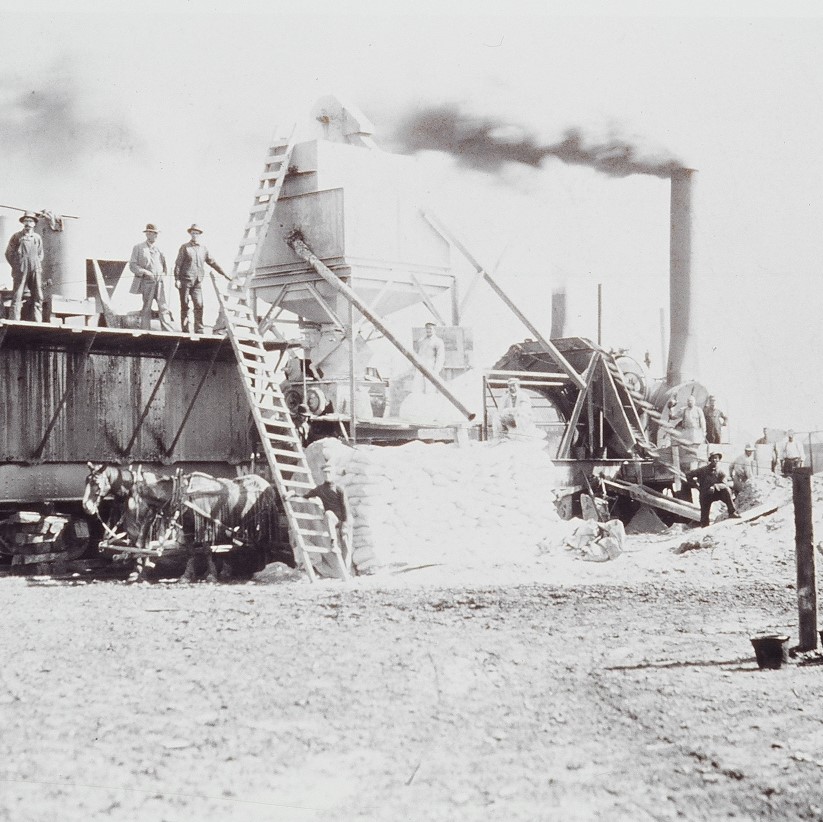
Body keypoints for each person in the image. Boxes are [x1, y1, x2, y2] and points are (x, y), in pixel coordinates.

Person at [290, 464, 352, 568]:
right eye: (325, 473)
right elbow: (306, 496)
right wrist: (293, 494)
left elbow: (345, 507)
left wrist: (344, 524)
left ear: (333, 474)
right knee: (328, 513)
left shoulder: (339, 489)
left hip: (342, 520)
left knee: (346, 544)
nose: (327, 475)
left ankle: (347, 569)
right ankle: (333, 543)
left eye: (329, 473)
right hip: (331, 519)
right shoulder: (320, 489)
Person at [173, 223, 230, 334]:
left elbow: (212, 262)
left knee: (199, 304)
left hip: (197, 281)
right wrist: (177, 279)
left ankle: (199, 329)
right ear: (190, 234)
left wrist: (224, 273)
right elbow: (178, 264)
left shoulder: (203, 249)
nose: (194, 235)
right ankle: (185, 330)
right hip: (185, 280)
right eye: (193, 233)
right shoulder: (185, 247)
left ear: (199, 234)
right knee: (185, 305)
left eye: (196, 233)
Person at [129, 223, 174, 331]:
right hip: (146, 281)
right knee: (147, 307)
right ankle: (145, 330)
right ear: (147, 234)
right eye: (152, 233)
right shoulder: (138, 247)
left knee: (163, 307)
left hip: (159, 282)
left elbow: (164, 264)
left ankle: (168, 331)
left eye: (156, 233)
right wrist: (144, 272)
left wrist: (163, 274)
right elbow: (132, 265)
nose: (155, 235)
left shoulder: (160, 248)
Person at [5, 211, 44, 322]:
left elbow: (40, 254)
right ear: (23, 222)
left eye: (30, 221)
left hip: (35, 268)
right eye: (26, 220)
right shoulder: (16, 236)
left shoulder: (37, 238)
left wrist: (36, 264)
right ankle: (14, 319)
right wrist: (17, 266)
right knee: (18, 294)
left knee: (38, 294)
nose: (28, 223)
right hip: (21, 268)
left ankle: (37, 320)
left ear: (34, 224)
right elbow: (8, 253)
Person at [685, 451, 740, 527]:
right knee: (704, 518)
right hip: (705, 495)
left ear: (718, 460)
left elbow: (724, 484)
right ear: (710, 460)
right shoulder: (702, 470)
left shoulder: (721, 472)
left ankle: (732, 512)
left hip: (717, 493)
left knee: (727, 490)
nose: (715, 460)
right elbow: (688, 475)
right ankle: (704, 529)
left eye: (716, 458)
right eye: (713, 458)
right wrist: (696, 486)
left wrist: (715, 486)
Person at [416, 321, 445, 393]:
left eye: (430, 328)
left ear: (434, 329)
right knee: (419, 390)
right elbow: (418, 354)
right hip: (420, 368)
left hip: (431, 368)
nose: (428, 330)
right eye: (427, 328)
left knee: (430, 390)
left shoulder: (438, 341)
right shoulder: (421, 341)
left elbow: (440, 357)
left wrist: (436, 371)